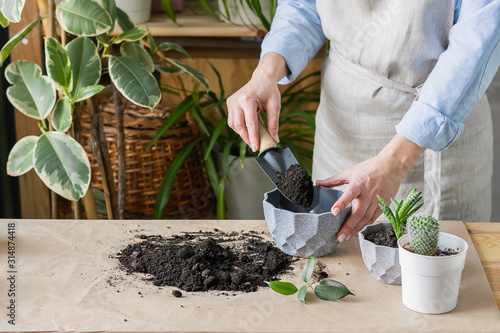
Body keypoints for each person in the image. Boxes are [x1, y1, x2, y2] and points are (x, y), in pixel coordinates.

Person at [227, 0, 500, 242]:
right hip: (343, 121)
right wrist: (265, 73)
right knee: (339, 260)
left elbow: (477, 41)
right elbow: (303, 6)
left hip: (440, 118)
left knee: (438, 275)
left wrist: (395, 164)